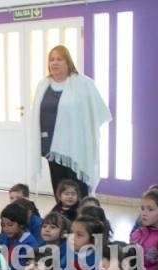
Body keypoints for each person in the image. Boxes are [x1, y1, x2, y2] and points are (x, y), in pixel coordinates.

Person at [30, 45, 111, 197]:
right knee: (59, 188)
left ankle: (81, 218)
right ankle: (62, 218)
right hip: (51, 148)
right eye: (51, 60)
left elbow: (96, 113)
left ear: (68, 62)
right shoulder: (43, 85)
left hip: (76, 147)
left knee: (77, 188)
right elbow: (37, 114)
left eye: (59, 59)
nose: (55, 63)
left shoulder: (83, 84)